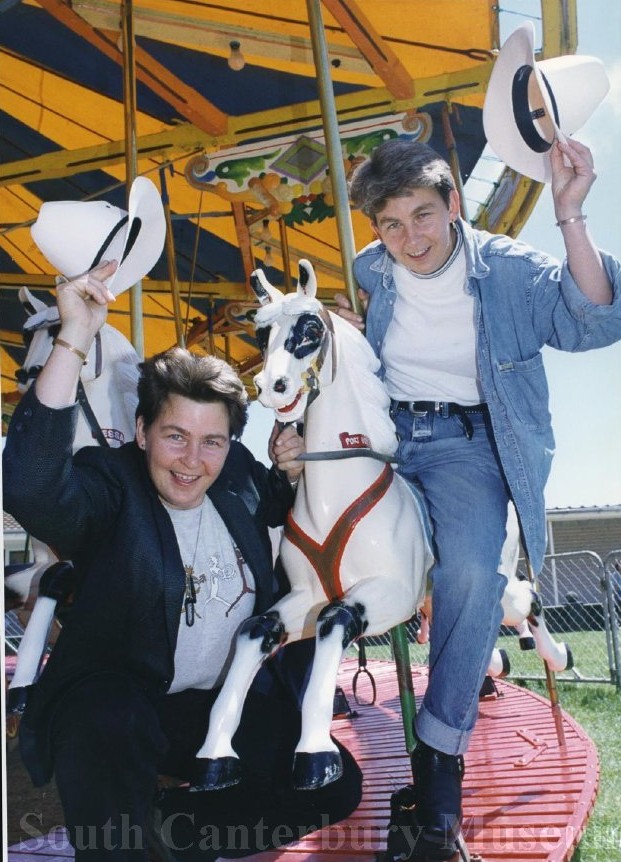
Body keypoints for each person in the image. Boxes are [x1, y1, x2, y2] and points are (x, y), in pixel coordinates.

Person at [3, 259, 362, 861]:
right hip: (117, 697)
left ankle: (177, 829)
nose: (192, 461)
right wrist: (72, 340)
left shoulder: (236, 476)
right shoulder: (110, 484)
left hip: (207, 704)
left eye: (212, 441)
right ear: (141, 431)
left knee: (334, 786)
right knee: (108, 731)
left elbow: (278, 499)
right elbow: (31, 487)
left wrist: (290, 463)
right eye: (175, 436)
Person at [334, 133, 621, 860]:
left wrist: (569, 214)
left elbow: (592, 320)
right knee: (289, 520)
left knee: (469, 572)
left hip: (463, 446)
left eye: (422, 216)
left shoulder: (508, 270)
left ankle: (436, 780)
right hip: (381, 436)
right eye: (391, 225)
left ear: (452, 205)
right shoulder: (372, 272)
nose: (410, 239)